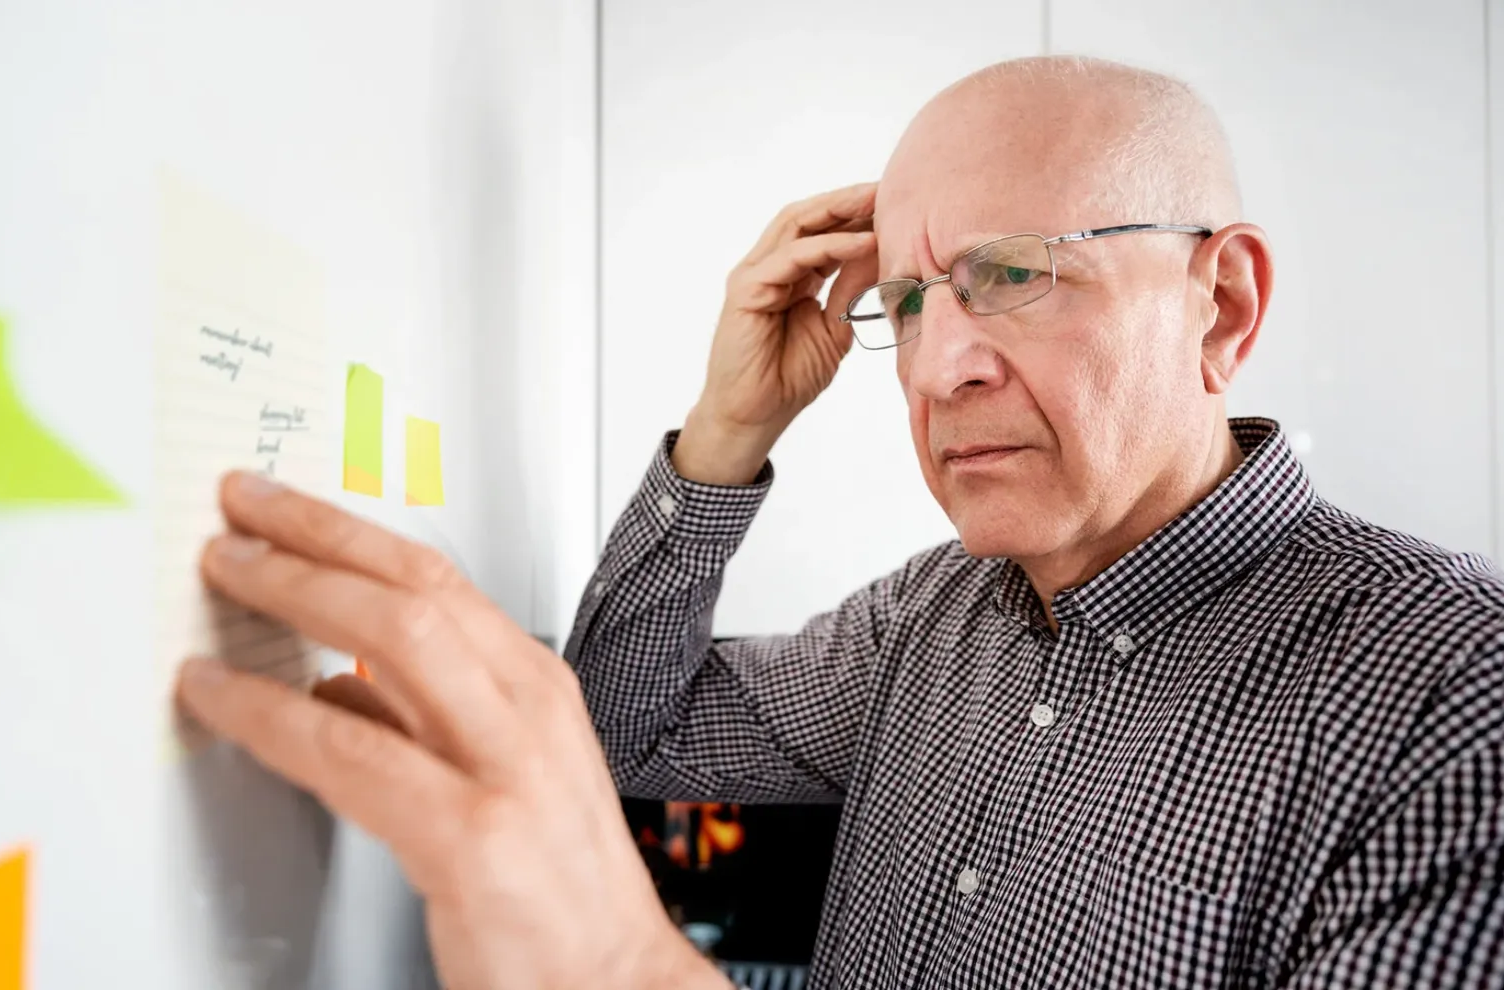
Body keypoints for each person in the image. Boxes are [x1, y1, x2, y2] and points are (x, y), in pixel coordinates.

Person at [177, 55, 1504, 989]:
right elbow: (621, 732)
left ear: (1219, 304)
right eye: (912, 301)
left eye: (1013, 276)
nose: (936, 369)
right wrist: (728, 430)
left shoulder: (1453, 695)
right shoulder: (924, 617)